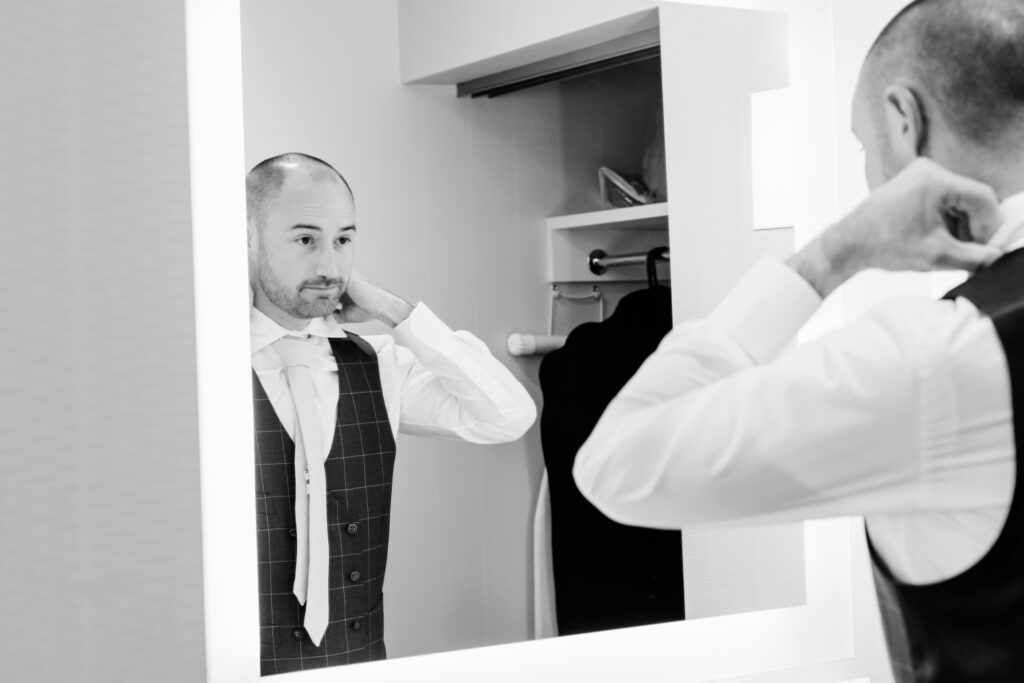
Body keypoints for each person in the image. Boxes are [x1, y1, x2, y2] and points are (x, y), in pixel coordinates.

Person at [573, 1, 1024, 681]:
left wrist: (830, 255)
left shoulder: (939, 361)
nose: (871, 175)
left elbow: (617, 463)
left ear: (905, 119)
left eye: (865, 145)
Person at [246, 152, 536, 675]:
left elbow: (506, 416)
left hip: (361, 663)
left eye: (344, 239)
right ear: (247, 239)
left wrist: (395, 312)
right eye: (305, 239)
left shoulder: (377, 364)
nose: (330, 266)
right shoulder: (199, 374)